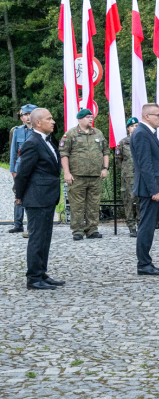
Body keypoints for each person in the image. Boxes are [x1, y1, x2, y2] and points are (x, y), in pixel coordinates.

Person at [13, 107, 63, 289]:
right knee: (37, 238)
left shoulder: (46, 140)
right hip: (37, 198)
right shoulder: (32, 143)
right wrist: (19, 196)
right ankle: (33, 278)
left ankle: (41, 272)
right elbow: (23, 173)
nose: (53, 121)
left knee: (45, 237)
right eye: (49, 119)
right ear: (38, 123)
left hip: (47, 197)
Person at [131, 103, 159, 276]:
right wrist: (154, 189)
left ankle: (146, 262)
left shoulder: (147, 132)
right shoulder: (141, 133)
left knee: (149, 226)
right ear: (147, 116)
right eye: (158, 115)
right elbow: (145, 165)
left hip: (153, 187)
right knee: (146, 226)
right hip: (149, 189)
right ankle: (144, 264)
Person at [58, 107, 109, 241]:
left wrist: (105, 168)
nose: (91, 119)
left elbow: (105, 151)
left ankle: (92, 230)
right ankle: (78, 230)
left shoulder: (98, 133)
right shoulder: (70, 134)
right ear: (80, 119)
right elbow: (64, 154)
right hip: (77, 176)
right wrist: (66, 173)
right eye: (88, 117)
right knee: (77, 205)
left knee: (94, 204)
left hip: (95, 176)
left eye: (91, 117)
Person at [8, 103, 36, 236]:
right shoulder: (17, 131)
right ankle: (18, 224)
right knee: (18, 194)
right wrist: (13, 170)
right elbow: (13, 151)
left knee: (32, 197)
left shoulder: (40, 130)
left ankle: (32, 225)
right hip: (20, 167)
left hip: (34, 168)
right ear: (21, 117)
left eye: (30, 114)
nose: (28, 117)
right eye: (25, 114)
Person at [115, 118, 140, 237]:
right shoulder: (123, 143)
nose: (135, 128)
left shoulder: (143, 141)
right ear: (128, 128)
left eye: (137, 126)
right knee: (128, 201)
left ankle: (141, 225)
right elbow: (118, 160)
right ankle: (131, 227)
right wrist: (126, 170)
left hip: (141, 176)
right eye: (133, 126)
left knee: (141, 201)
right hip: (128, 178)